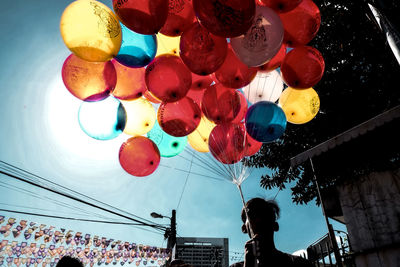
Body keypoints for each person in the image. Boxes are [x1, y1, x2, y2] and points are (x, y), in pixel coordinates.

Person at [230, 198, 314, 267]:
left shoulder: (299, 263)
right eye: (252, 215)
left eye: (265, 214)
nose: (259, 219)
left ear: (275, 225)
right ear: (244, 228)